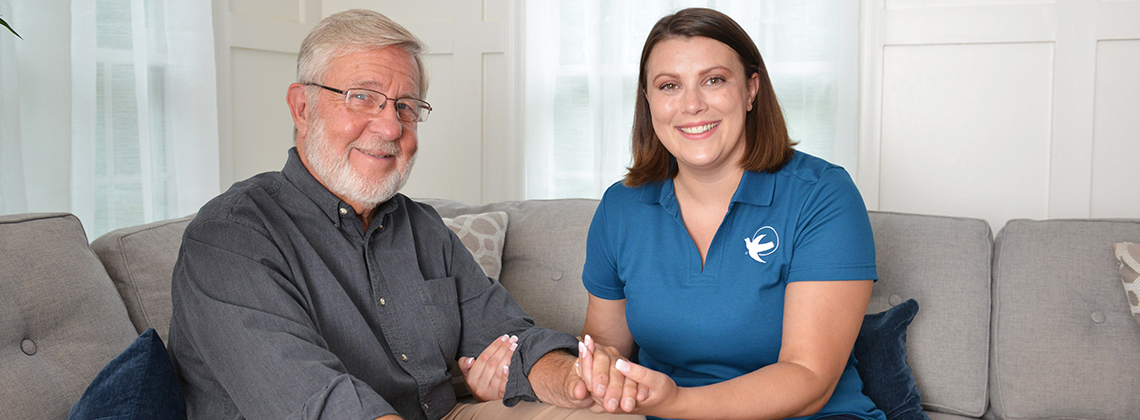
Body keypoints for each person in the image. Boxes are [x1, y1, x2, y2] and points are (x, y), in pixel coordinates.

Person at [167, 9, 633, 420]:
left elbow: (510, 339)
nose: (391, 126)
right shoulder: (231, 237)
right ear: (302, 107)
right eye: (362, 97)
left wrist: (576, 379)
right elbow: (319, 406)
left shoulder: (422, 228)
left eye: (405, 107)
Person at [575, 8, 887, 420]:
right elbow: (605, 346)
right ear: (649, 100)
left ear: (751, 89)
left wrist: (677, 403)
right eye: (669, 86)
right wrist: (597, 372)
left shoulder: (823, 196)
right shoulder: (621, 207)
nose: (691, 104)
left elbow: (809, 377)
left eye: (714, 80)